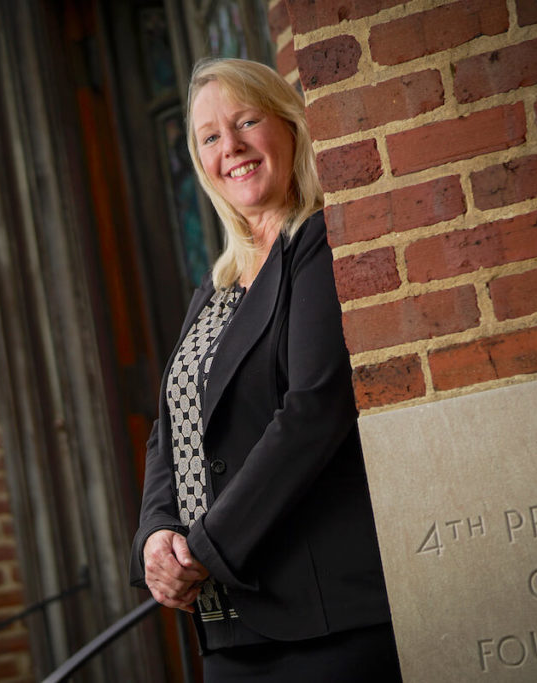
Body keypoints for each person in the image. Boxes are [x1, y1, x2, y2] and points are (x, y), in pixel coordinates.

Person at [128, 57, 402, 681]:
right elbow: (170, 427)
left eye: (247, 121)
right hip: (230, 627)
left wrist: (205, 547)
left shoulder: (318, 242)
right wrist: (157, 533)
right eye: (210, 137)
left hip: (324, 620)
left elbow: (314, 408)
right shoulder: (216, 288)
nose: (231, 146)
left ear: (289, 127)